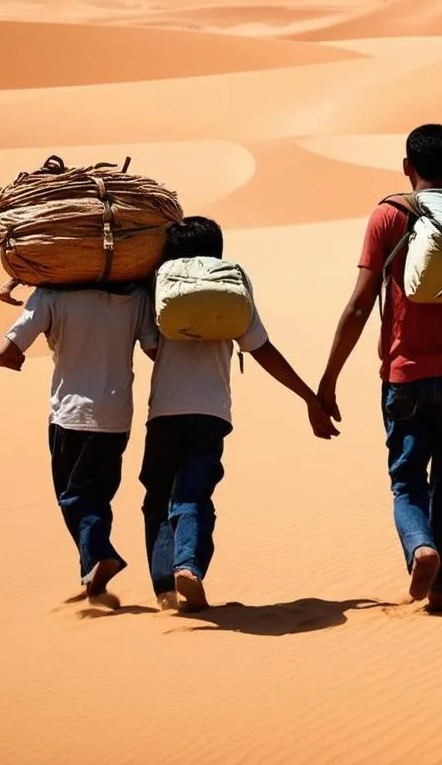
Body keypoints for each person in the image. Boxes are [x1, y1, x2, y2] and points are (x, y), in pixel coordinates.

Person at [317, 125, 442, 614]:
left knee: (408, 482)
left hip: (406, 376)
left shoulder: (390, 216)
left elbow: (361, 305)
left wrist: (328, 379)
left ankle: (420, 548)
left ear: (407, 167)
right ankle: (441, 592)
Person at [142, 216, 339, 612]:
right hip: (212, 413)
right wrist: (308, 398)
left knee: (157, 498)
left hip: (164, 412)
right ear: (218, 250)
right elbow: (262, 349)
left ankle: (165, 590)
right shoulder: (229, 286)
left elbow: (150, 346)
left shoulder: (160, 287)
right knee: (194, 494)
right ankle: (189, 565)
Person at [0, 278, 159, 601]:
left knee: (73, 497)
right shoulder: (136, 296)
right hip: (116, 416)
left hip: (69, 416)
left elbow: (6, 353)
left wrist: (21, 358)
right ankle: (93, 574)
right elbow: (154, 348)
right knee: (96, 496)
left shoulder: (50, 295)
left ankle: (99, 557)